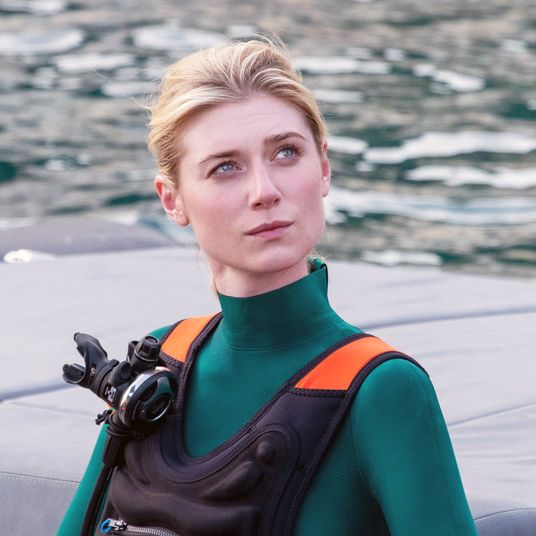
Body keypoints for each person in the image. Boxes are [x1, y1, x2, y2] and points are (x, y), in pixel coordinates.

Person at [58, 38, 478, 535]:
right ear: (173, 200)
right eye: (225, 167)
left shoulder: (383, 389)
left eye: (286, 152)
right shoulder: (159, 362)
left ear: (323, 167)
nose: (265, 191)